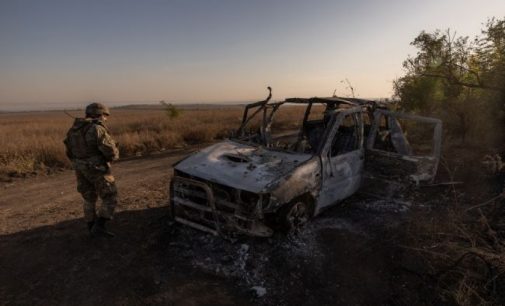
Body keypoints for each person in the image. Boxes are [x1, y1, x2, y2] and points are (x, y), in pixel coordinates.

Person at [63, 103, 119, 237]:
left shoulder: (73, 129)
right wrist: (114, 154)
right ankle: (99, 226)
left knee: (89, 198)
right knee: (110, 196)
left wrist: (81, 162)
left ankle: (91, 226)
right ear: (99, 115)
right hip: (97, 168)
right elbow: (110, 152)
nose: (106, 119)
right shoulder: (97, 128)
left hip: (79, 167)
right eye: (105, 116)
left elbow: (69, 152)